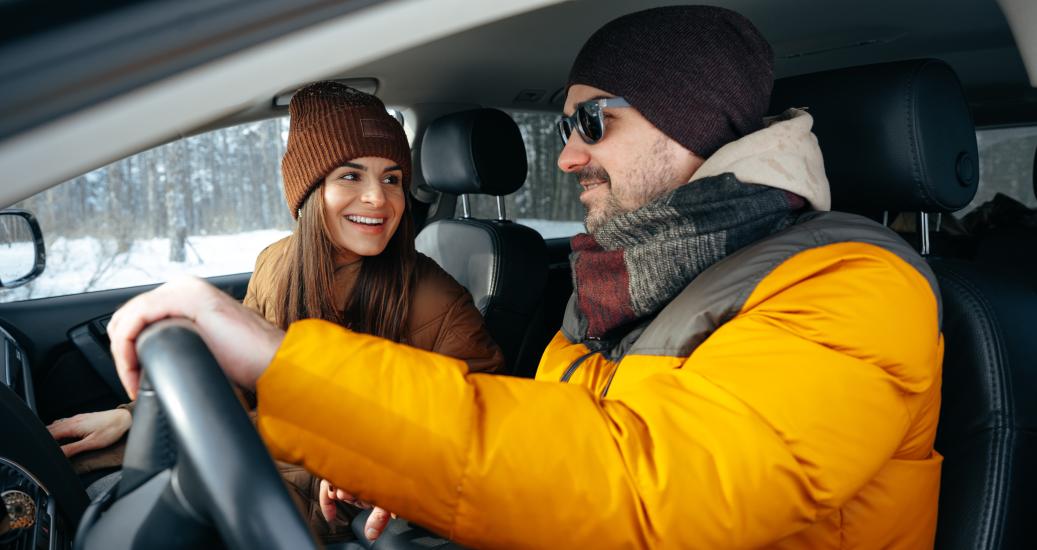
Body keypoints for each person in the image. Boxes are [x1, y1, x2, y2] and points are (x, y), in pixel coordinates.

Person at [107, 6, 943, 548]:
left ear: (691, 119)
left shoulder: (853, 287)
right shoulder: (621, 278)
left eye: (591, 120)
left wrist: (275, 361)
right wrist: (412, 476)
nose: (568, 152)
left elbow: (650, 490)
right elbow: (560, 436)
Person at [49, 82, 503, 543]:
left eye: (391, 179)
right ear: (309, 190)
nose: (377, 198)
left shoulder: (438, 299)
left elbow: (480, 428)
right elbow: (234, 381)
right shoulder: (276, 263)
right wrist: (136, 417)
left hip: (320, 508)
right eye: (350, 176)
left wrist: (378, 464)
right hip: (248, 465)